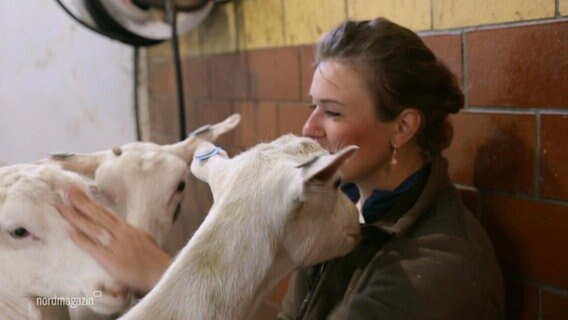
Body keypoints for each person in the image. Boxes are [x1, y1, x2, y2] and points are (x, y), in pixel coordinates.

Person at [58, 17, 504, 319]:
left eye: (332, 111)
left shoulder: (439, 268)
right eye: (312, 106)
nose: (310, 128)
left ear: (403, 126)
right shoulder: (336, 200)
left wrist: (165, 276)